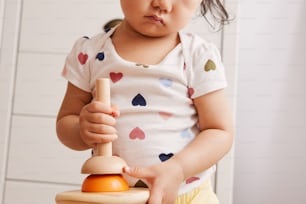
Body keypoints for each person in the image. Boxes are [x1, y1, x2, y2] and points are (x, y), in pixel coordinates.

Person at [56, 0, 234, 203]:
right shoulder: (89, 52)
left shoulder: (197, 55)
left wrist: (178, 168)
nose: (163, 4)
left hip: (186, 195)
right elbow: (65, 122)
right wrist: (82, 129)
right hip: (114, 196)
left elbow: (220, 132)